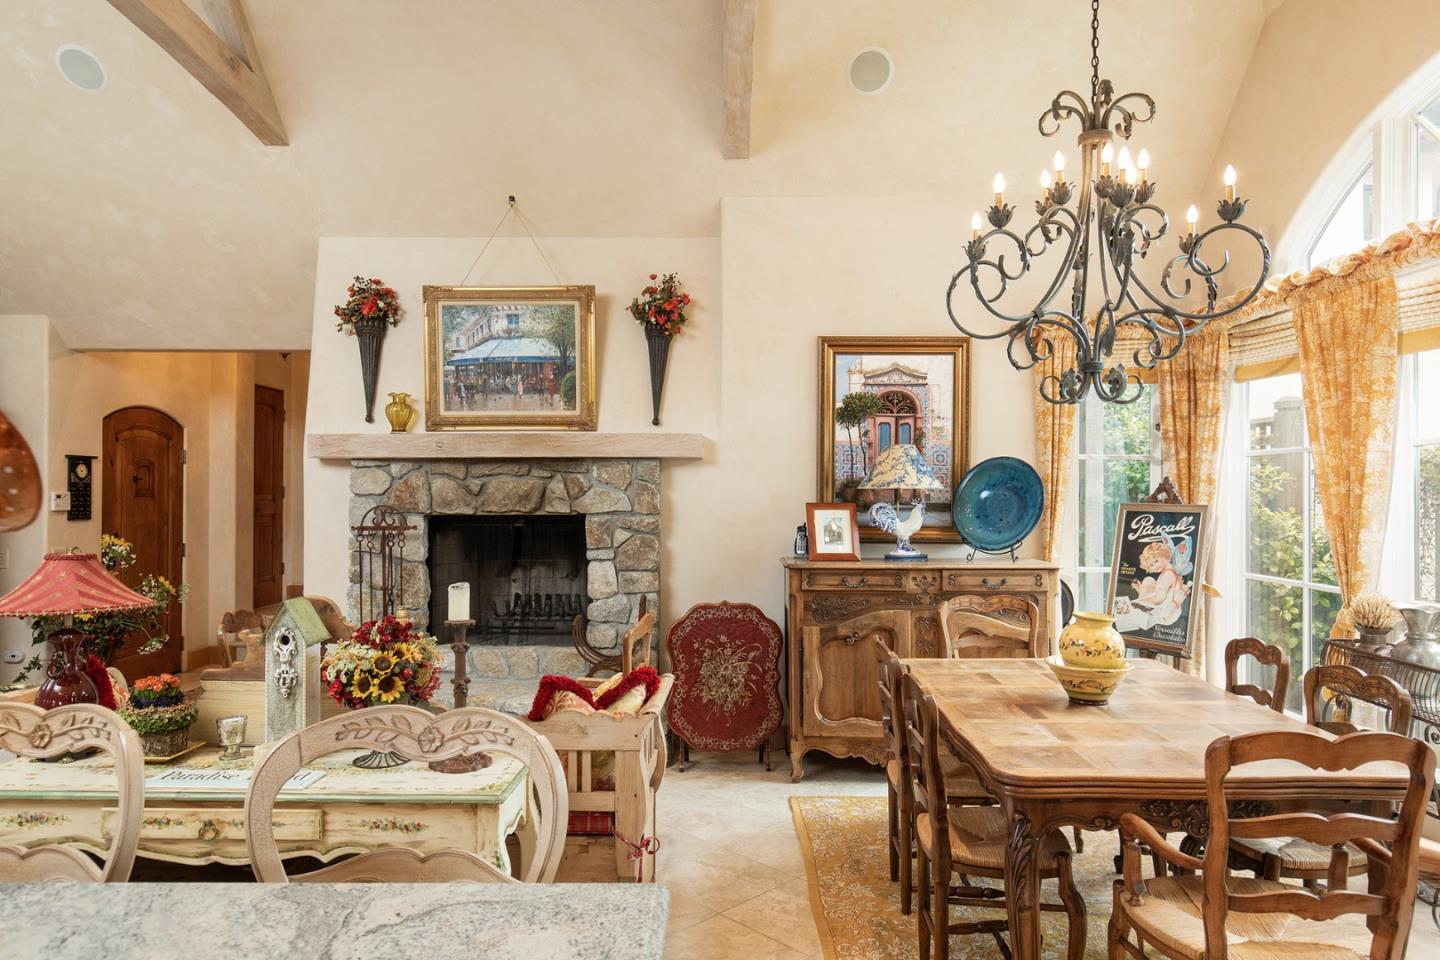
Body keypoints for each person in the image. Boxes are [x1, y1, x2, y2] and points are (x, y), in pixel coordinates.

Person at [1113, 539, 1189, 632]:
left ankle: (1127, 624)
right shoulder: (1169, 571)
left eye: (1156, 561)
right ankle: (1130, 619)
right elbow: (1161, 594)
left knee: (1122, 608)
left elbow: (1158, 599)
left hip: (1165, 612)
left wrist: (1139, 600)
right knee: (1148, 580)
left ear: (1165, 556)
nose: (1155, 566)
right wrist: (1141, 593)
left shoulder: (1167, 575)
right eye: (1151, 565)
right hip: (1163, 606)